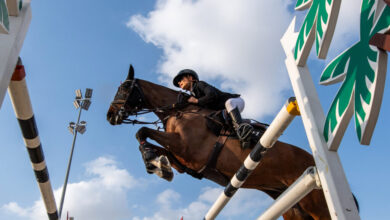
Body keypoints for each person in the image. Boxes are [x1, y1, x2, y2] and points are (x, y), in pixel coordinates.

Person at [173, 69, 253, 148]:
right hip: (226, 112)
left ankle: (243, 129)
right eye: (178, 82)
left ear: (190, 78)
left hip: (235, 102)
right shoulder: (193, 95)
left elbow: (212, 94)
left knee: (229, 103)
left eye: (181, 79)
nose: (179, 83)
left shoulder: (200, 84)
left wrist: (197, 101)